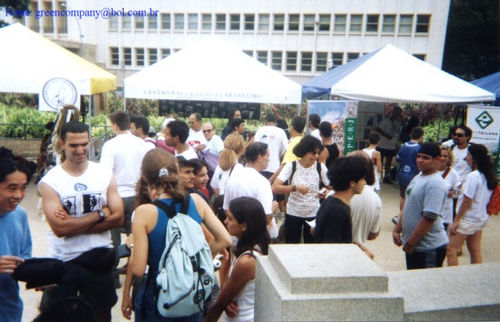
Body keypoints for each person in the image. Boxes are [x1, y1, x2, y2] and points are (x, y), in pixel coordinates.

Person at [128, 148, 231, 321]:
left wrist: (132, 245)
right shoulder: (196, 201)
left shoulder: (144, 213)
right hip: (191, 288)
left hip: (160, 291)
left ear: (145, 178)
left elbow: (138, 269)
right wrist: (198, 255)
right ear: (176, 171)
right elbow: (224, 239)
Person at [39, 121, 124, 321]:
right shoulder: (51, 180)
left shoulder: (103, 173)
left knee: (101, 313)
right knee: (56, 315)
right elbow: (60, 229)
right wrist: (100, 214)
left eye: (84, 144)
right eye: (74, 145)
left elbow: (119, 216)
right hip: (63, 259)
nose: (80, 150)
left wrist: (74, 225)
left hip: (99, 257)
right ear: (62, 144)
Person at [100, 111, 152, 280]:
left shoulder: (110, 145)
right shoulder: (142, 144)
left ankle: (113, 275)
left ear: (115, 125)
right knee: (137, 238)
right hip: (138, 195)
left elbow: (105, 173)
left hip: (117, 196)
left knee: (113, 239)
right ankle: (135, 274)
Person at [205, 197, 270, 322]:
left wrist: (224, 303)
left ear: (244, 225)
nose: (225, 221)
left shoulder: (247, 261)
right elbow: (226, 292)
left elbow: (218, 304)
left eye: (230, 218)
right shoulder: (246, 252)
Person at [392, 142, 449, 270]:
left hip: (429, 248)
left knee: (426, 287)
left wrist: (411, 242)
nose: (420, 160)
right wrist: (397, 229)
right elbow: (407, 206)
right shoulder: (419, 177)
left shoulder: (436, 184)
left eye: (425, 158)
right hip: (415, 245)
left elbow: (428, 218)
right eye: (419, 156)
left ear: (437, 159)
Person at [447, 143, 497, 266]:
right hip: (479, 218)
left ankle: (453, 278)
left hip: (467, 219)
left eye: (468, 155)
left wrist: (456, 220)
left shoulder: (473, 176)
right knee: (475, 251)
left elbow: (467, 201)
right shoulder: (488, 176)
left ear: (475, 158)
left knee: (451, 250)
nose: (466, 158)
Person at [273, 136, 329, 243]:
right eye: (313, 153)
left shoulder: (320, 167)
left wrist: (325, 192)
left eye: (318, 153)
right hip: (293, 212)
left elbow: (332, 186)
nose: (316, 156)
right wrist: (295, 188)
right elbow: (275, 187)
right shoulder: (292, 166)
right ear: (304, 151)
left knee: (311, 247)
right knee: (292, 246)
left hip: (313, 212)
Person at [0, 156, 32, 322]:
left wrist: (37, 275)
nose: (19, 195)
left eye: (23, 188)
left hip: (10, 312)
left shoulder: (20, 215)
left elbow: (24, 257)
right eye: (12, 188)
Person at [223, 142, 277, 239]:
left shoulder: (233, 178)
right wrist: (273, 208)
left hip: (236, 236)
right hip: (255, 239)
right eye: (267, 156)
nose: (269, 159)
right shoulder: (262, 182)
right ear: (259, 157)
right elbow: (266, 217)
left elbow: (226, 209)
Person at [314, 156, 368, 243]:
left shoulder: (330, 200)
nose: (365, 183)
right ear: (352, 183)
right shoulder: (339, 211)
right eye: (362, 179)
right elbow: (333, 247)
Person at [348, 151, 381, 245]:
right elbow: (373, 234)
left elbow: (317, 230)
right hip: (359, 251)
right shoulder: (375, 198)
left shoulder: (335, 195)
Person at [396, 126, 424, 210]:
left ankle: (401, 215)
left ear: (410, 135)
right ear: (421, 136)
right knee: (412, 197)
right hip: (414, 175)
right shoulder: (419, 148)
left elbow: (398, 159)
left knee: (403, 196)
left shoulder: (403, 146)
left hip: (402, 174)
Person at [254, 113, 288, 177]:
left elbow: (255, 146)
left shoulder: (260, 130)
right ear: (275, 122)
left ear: (265, 121)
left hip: (260, 166)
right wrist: (281, 160)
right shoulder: (281, 131)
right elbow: (287, 149)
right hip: (275, 168)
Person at [376, 105, 402, 183]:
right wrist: (386, 135)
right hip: (382, 144)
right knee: (379, 161)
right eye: (396, 112)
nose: (397, 114)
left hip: (391, 146)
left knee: (389, 162)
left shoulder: (398, 123)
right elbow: (378, 129)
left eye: (399, 113)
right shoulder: (385, 120)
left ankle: (386, 177)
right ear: (393, 112)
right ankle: (377, 176)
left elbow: (397, 133)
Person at [437, 146, 461, 231]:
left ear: (449, 158)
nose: (442, 158)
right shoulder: (430, 170)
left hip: (445, 210)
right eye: (440, 155)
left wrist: (453, 192)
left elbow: (457, 189)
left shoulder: (454, 173)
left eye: (445, 156)